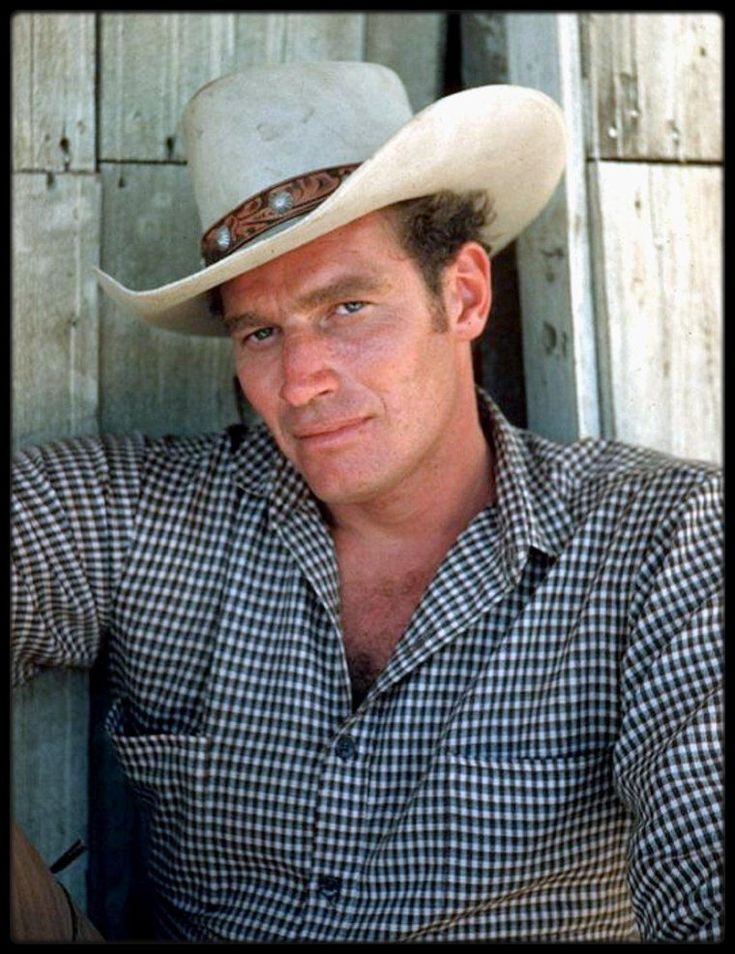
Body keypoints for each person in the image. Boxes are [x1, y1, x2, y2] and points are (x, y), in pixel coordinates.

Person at [11, 62, 722, 942]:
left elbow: (706, 849)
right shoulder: (142, 516)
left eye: (347, 306)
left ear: (460, 294)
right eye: (261, 332)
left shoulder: (661, 538)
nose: (301, 382)